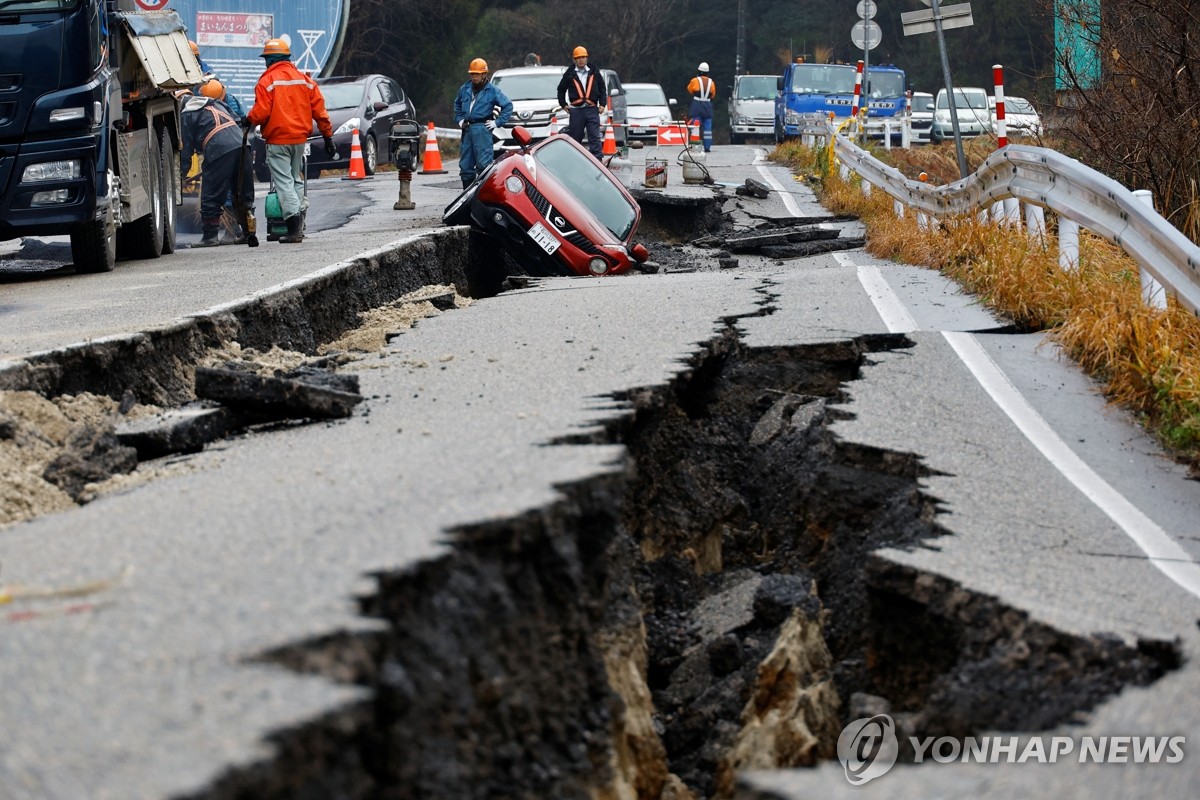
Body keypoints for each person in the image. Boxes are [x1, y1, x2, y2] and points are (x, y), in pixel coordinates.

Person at [243, 38, 334, 244]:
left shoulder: (267, 82)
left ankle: (294, 228)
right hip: (299, 140)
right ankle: (300, 221)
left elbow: (261, 112)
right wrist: (328, 136)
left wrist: (248, 120)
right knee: (295, 179)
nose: (265, 63)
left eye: (266, 59)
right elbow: (320, 111)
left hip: (278, 140)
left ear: (271, 59)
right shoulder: (304, 80)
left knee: (284, 182)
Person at [179, 80, 253, 247]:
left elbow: (186, 150)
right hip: (242, 146)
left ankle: (210, 237)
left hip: (219, 149)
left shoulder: (187, 114)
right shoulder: (219, 105)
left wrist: (181, 175)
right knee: (241, 192)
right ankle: (248, 232)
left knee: (211, 193)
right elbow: (238, 121)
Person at [453, 58, 513, 189]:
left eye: (477, 74)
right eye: (472, 74)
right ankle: (466, 195)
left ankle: (482, 195)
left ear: (484, 74)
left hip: (482, 129)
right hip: (467, 129)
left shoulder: (492, 91)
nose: (474, 77)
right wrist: (460, 120)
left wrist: (497, 122)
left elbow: (507, 106)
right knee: (466, 165)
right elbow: (457, 104)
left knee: (483, 165)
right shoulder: (465, 88)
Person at [556, 45, 607, 159]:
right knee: (576, 137)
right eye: (578, 58)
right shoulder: (569, 74)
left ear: (587, 58)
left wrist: (602, 104)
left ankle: (597, 160)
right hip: (576, 111)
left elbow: (602, 88)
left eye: (583, 57)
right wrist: (563, 104)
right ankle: (575, 160)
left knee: (594, 137)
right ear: (574, 59)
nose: (581, 60)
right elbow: (561, 89)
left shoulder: (594, 72)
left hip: (592, 109)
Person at [687, 62, 716, 153]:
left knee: (695, 126)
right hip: (707, 106)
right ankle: (707, 147)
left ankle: (695, 146)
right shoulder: (712, 82)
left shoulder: (694, 80)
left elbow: (690, 90)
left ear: (699, 71)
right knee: (707, 128)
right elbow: (713, 95)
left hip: (697, 105)